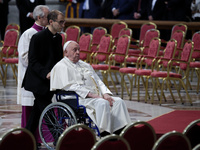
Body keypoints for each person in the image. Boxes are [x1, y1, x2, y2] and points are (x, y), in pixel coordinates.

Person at [50, 40, 131, 137]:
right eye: (74, 50)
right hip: (77, 98)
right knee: (102, 103)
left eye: (79, 50)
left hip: (93, 97)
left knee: (118, 102)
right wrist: (92, 95)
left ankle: (120, 131)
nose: (78, 52)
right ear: (66, 52)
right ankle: (105, 133)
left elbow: (98, 81)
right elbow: (70, 86)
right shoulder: (61, 66)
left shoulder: (85, 65)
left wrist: (105, 94)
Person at [22, 10, 64, 144]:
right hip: (37, 80)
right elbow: (32, 61)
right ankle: (59, 138)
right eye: (61, 22)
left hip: (50, 81)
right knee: (48, 108)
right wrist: (46, 72)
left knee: (36, 112)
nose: (63, 25)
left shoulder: (58, 38)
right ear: (51, 22)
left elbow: (58, 59)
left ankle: (26, 138)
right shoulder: (37, 37)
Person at [17, 5, 50, 144]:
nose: (50, 19)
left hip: (44, 78)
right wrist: (43, 67)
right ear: (39, 17)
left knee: (44, 108)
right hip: (32, 78)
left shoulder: (48, 33)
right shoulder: (28, 34)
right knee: (31, 109)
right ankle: (30, 139)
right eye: (48, 17)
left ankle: (45, 138)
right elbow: (25, 57)